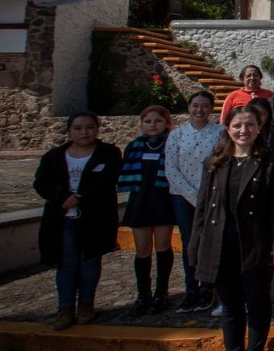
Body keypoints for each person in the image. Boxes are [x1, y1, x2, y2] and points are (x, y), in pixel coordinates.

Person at [189, 105, 274, 351]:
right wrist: (195, 245)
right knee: (230, 307)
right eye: (237, 126)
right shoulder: (215, 162)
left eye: (249, 125)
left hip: (254, 243)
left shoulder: (270, 161)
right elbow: (202, 207)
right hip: (220, 244)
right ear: (228, 129)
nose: (243, 130)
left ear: (258, 128)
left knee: (257, 303)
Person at [34, 112, 122, 330]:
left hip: (94, 217)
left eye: (89, 127)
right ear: (69, 131)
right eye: (78, 128)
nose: (84, 132)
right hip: (62, 217)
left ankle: (86, 305)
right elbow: (41, 183)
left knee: (89, 261)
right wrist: (63, 197)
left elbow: (109, 180)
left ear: (97, 129)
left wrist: (80, 197)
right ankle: (64, 308)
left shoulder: (108, 153)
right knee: (66, 262)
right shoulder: (54, 156)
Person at [165, 90, 223, 312]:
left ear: (211, 109)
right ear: (189, 108)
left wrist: (205, 196)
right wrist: (193, 196)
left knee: (209, 242)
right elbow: (171, 168)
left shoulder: (220, 132)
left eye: (204, 105)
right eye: (195, 105)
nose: (199, 110)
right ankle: (191, 288)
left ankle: (207, 287)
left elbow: (222, 162)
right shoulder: (177, 135)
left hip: (212, 196)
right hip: (182, 197)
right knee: (189, 242)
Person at [119, 105, 177, 315]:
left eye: (158, 121)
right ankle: (143, 294)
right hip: (140, 202)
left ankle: (162, 292)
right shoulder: (134, 146)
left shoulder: (172, 143)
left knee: (162, 246)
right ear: (142, 124)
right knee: (142, 250)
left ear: (167, 123)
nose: (153, 125)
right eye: (148, 121)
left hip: (162, 201)